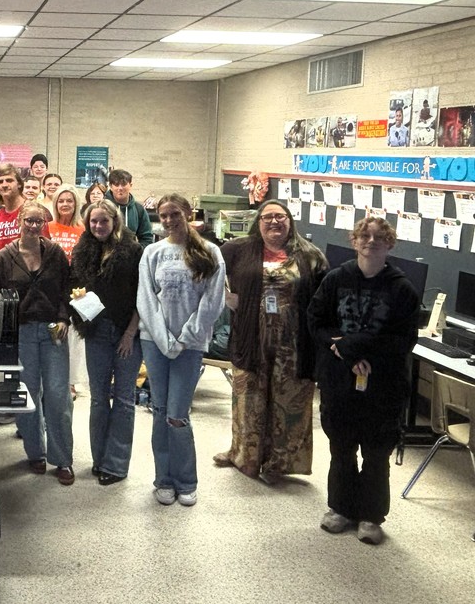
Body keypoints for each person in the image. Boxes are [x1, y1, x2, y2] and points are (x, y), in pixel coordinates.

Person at [307, 217, 420, 545]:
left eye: (379, 237)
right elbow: (316, 322)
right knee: (341, 447)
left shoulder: (402, 289)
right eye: (365, 236)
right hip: (340, 378)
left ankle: (371, 516)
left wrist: (354, 349)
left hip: (382, 380)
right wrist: (343, 351)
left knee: (375, 452)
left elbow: (402, 339)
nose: (371, 241)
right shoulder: (335, 280)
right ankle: (340, 509)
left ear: (390, 244)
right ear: (354, 241)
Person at [214, 200, 328, 482]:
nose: (274, 222)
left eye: (281, 217)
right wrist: (226, 297)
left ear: (290, 221)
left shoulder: (310, 256)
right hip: (251, 338)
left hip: (294, 344)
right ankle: (245, 456)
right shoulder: (238, 249)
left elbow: (325, 299)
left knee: (289, 401)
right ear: (258, 221)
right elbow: (209, 273)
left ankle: (280, 463)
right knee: (248, 398)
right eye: (267, 217)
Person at [138, 194, 225, 507]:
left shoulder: (210, 252)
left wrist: (184, 337)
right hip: (155, 342)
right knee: (160, 411)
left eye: (175, 213)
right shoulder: (153, 252)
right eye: (163, 215)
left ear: (189, 213)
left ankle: (186, 481)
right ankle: (163, 480)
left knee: (177, 415)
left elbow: (211, 303)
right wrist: (163, 339)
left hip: (190, 345)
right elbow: (146, 300)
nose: (169, 219)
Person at [0, 202, 74, 485]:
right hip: (21, 333)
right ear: (20, 221)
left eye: (40, 221)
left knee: (59, 395)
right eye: (29, 221)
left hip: (53, 331)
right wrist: (3, 336)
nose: (34, 226)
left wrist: (64, 319)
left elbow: (66, 290)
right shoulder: (3, 257)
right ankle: (34, 452)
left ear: (45, 223)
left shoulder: (56, 254)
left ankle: (62, 459)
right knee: (26, 394)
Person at [70, 200, 143, 486]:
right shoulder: (82, 250)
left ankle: (116, 464)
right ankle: (100, 459)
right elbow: (72, 286)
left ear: (115, 221)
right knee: (99, 399)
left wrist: (129, 334)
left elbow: (142, 296)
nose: (98, 226)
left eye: (104, 221)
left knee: (124, 400)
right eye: (93, 222)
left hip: (127, 333)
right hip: (96, 333)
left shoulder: (133, 251)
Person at [47, 184, 88, 399]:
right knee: (56, 333)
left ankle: (71, 382)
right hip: (52, 287)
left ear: (76, 204)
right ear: (55, 204)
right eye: (61, 201)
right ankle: (56, 378)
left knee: (74, 336)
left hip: (76, 288)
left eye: (69, 201)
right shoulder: (48, 227)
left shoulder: (83, 229)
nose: (65, 204)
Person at [104, 169, 154, 245]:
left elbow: (147, 238)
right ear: (111, 186)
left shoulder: (139, 209)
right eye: (116, 184)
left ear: (130, 185)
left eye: (123, 184)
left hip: (132, 255)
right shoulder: (101, 208)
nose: (120, 188)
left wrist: (138, 252)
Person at [0, 163, 26, 254]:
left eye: (9, 180)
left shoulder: (34, 212)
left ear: (19, 184)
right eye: (0, 182)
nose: (4, 185)